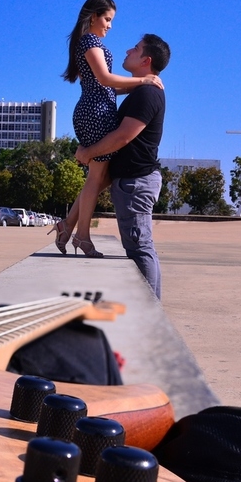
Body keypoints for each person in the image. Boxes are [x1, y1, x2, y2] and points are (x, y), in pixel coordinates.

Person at [53, 0, 161, 258]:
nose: (110, 26)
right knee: (95, 178)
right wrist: (144, 80)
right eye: (107, 19)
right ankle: (82, 236)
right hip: (95, 113)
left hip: (96, 109)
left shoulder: (91, 43)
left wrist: (142, 84)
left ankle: (68, 227)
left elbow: (107, 87)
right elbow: (104, 79)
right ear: (93, 16)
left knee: (101, 176)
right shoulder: (89, 42)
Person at [75, 34, 170, 298]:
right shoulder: (140, 89)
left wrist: (88, 152)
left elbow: (123, 136)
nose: (129, 50)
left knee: (140, 249)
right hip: (133, 182)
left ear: (146, 60)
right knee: (138, 248)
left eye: (136, 49)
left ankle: (150, 315)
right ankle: (150, 312)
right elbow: (105, 86)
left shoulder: (148, 94)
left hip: (136, 183)